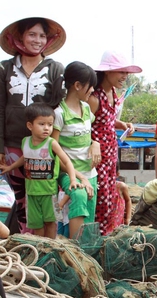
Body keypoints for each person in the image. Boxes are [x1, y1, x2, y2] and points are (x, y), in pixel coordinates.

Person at [0, 16, 66, 234]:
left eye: (42, 35)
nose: (37, 40)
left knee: (43, 198)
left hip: (45, 148)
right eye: (32, 34)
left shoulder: (56, 69)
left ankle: (45, 250)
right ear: (20, 37)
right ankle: (27, 247)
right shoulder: (4, 69)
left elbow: (61, 109)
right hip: (12, 145)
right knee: (21, 200)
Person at [0, 103, 79, 239]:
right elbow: (25, 157)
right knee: (37, 225)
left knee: (51, 223)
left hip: (49, 193)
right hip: (31, 194)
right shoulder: (25, 142)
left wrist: (73, 179)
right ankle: (40, 250)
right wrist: (10, 167)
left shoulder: (51, 143)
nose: (46, 128)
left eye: (50, 124)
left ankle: (50, 249)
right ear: (30, 126)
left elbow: (66, 161)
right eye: (42, 124)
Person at [89, 51, 140, 236]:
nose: (125, 77)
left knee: (109, 196)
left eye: (126, 73)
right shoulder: (94, 98)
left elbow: (107, 120)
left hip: (111, 155)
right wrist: (93, 142)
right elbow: (81, 127)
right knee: (100, 198)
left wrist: (123, 124)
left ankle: (106, 235)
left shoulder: (112, 93)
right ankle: (97, 237)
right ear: (107, 72)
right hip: (97, 157)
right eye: (121, 72)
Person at [53, 61, 100, 239]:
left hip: (90, 173)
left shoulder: (87, 108)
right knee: (79, 196)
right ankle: (75, 252)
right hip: (69, 174)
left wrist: (95, 143)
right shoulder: (59, 113)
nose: (92, 91)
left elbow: (87, 137)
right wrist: (79, 177)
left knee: (88, 214)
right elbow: (54, 153)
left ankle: (85, 253)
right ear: (78, 85)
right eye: (90, 87)